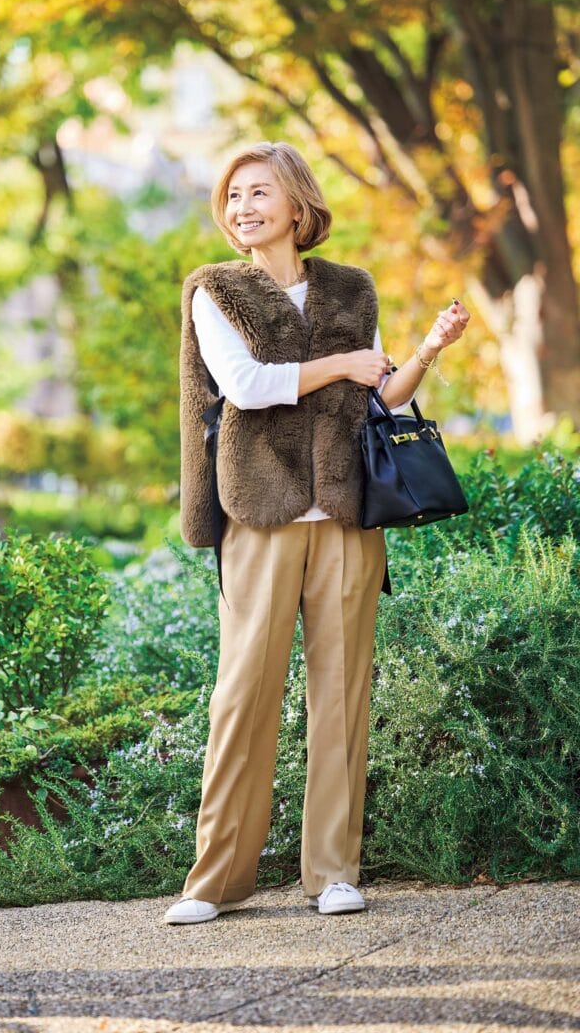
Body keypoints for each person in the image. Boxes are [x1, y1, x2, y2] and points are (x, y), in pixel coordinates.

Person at [166, 141, 470, 925]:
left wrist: (426, 353)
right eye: (233, 196)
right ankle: (215, 879)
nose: (243, 208)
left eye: (259, 192)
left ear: (298, 206)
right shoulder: (215, 293)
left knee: (342, 697)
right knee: (243, 696)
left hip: (343, 516)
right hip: (259, 514)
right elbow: (247, 387)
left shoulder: (349, 289)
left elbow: (380, 394)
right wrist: (343, 365)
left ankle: (334, 871)